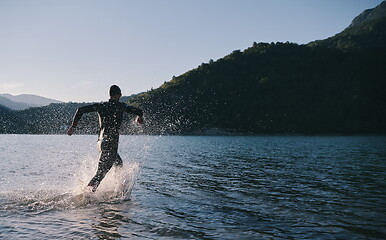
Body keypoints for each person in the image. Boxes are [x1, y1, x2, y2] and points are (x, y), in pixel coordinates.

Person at [67, 85, 143, 192]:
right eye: (120, 95)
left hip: (101, 143)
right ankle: (86, 195)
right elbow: (139, 111)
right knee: (100, 174)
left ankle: (116, 190)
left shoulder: (101, 106)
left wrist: (73, 126)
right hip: (110, 143)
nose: (120, 97)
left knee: (119, 163)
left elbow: (80, 110)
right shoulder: (120, 106)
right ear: (117, 95)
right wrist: (139, 118)